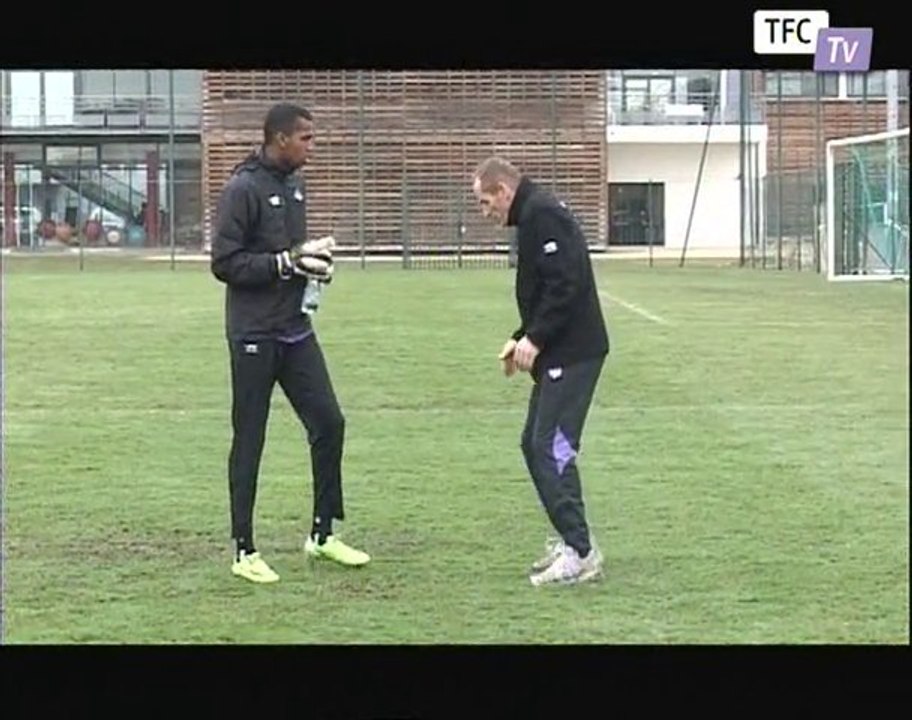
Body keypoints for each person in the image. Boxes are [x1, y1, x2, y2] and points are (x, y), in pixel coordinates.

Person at [210, 102, 370, 583]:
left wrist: (313, 269)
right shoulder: (242, 189)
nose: (311, 147)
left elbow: (293, 256)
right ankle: (244, 550)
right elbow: (225, 263)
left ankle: (322, 535)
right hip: (254, 333)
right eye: (306, 138)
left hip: (295, 329)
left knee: (329, 423)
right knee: (250, 437)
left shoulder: (294, 186)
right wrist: (284, 264)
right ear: (280, 139)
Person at [472, 156, 610, 586]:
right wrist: (521, 337)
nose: (484, 212)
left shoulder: (542, 213)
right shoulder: (533, 215)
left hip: (574, 353)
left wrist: (536, 338)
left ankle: (581, 552)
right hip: (561, 353)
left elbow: (566, 284)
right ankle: (572, 539)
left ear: (503, 191)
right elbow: (546, 289)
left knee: (551, 447)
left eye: (484, 202)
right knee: (534, 445)